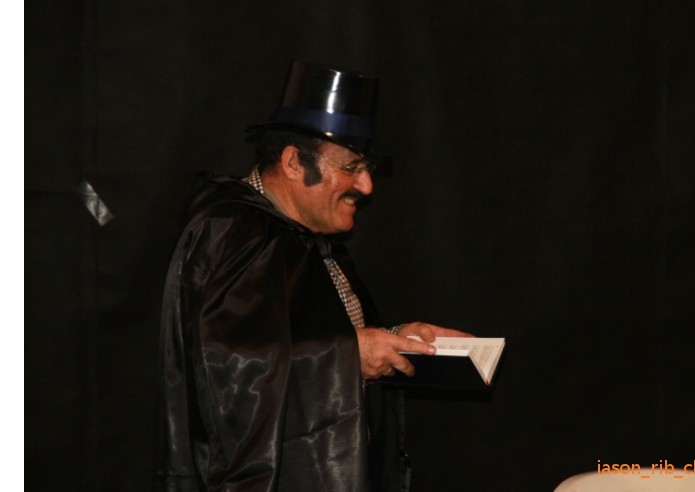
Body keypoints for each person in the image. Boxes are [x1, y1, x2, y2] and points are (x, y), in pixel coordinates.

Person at [157, 61, 470, 491]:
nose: (367, 186)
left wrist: (394, 340)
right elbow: (224, 372)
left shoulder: (306, 241)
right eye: (352, 167)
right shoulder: (233, 232)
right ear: (292, 162)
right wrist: (351, 357)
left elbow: (304, 339)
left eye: (367, 168)